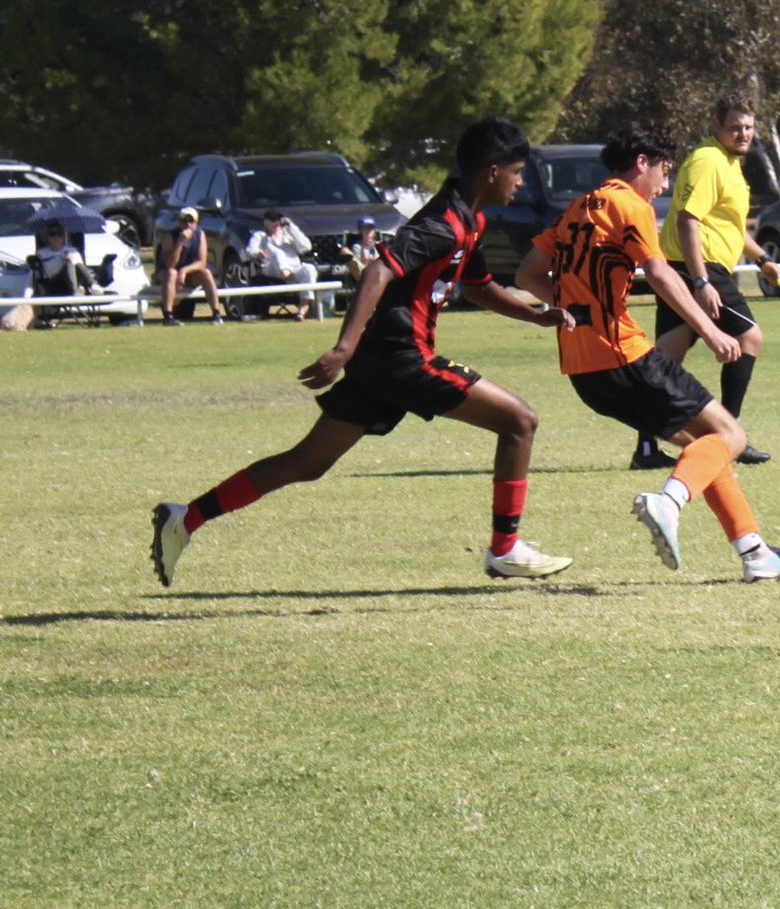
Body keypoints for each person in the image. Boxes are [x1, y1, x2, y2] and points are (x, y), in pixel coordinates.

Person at [151, 115, 574, 588]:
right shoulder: (443, 224)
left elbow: (477, 287)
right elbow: (376, 273)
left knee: (307, 463)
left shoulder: (468, 220)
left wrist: (536, 316)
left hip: (382, 361)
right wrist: (343, 347)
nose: (520, 183)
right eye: (517, 173)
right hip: (402, 357)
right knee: (520, 421)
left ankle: (184, 518)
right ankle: (505, 549)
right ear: (492, 171)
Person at [516, 123, 780, 583]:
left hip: (584, 371)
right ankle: (668, 501)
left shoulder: (578, 208)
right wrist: (710, 330)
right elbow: (660, 274)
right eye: (663, 172)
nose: (664, 185)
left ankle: (755, 553)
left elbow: (528, 273)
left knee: (706, 448)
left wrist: (572, 308)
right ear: (642, 163)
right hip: (624, 355)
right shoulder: (629, 205)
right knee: (731, 437)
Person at [630, 92, 780, 470]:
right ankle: (728, 438)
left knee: (665, 360)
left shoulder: (731, 164)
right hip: (699, 268)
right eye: (734, 127)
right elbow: (687, 220)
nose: (743, 133)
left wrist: (762, 259)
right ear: (716, 126)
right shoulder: (707, 161)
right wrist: (701, 282)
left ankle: (647, 449)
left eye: (748, 127)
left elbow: (729, 225)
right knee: (749, 338)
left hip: (693, 267)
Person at [247, 208, 325, 321]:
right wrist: (258, 253)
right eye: (273, 220)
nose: (277, 223)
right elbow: (249, 250)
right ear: (266, 222)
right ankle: (287, 275)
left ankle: (302, 311)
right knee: (278, 253)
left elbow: (306, 247)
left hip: (294, 268)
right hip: (271, 267)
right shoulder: (260, 236)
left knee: (309, 269)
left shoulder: (288, 235)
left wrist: (291, 226)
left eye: (278, 220)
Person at [161, 206, 224, 326]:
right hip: (168, 275)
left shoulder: (200, 235)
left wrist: (184, 270)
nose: (187, 224)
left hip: (189, 274)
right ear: (179, 222)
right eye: (184, 221)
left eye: (191, 221)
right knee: (172, 273)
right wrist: (180, 242)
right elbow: (169, 265)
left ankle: (216, 314)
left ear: (196, 223)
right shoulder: (169, 237)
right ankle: (168, 316)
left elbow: (201, 262)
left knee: (206, 272)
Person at [35, 222, 104, 296]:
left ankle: (93, 285)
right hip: (53, 283)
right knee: (69, 262)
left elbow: (80, 268)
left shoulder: (72, 250)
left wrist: (69, 259)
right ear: (46, 237)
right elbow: (35, 275)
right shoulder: (41, 253)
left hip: (74, 281)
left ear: (63, 237)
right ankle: (74, 292)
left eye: (59, 234)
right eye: (52, 234)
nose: (56, 237)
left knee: (73, 262)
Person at [341, 216, 381, 282]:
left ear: (374, 231)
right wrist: (363, 248)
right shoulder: (357, 246)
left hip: (378, 273)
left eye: (370, 228)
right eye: (365, 228)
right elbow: (360, 265)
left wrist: (374, 247)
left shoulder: (378, 245)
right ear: (360, 231)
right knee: (345, 251)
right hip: (363, 274)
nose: (368, 231)